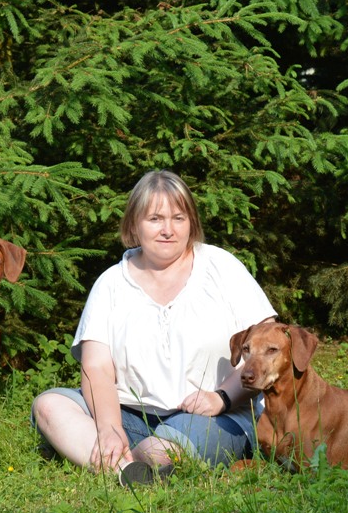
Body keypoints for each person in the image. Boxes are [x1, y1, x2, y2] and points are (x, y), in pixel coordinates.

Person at [31, 170, 276, 483]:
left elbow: (270, 347)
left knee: (158, 451)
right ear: (134, 225)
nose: (168, 230)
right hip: (128, 414)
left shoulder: (222, 267)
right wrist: (109, 427)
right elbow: (96, 367)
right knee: (49, 406)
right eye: (155, 219)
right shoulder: (111, 283)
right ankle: (126, 469)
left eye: (178, 218)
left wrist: (223, 397)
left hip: (215, 416)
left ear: (191, 223)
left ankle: (118, 461)